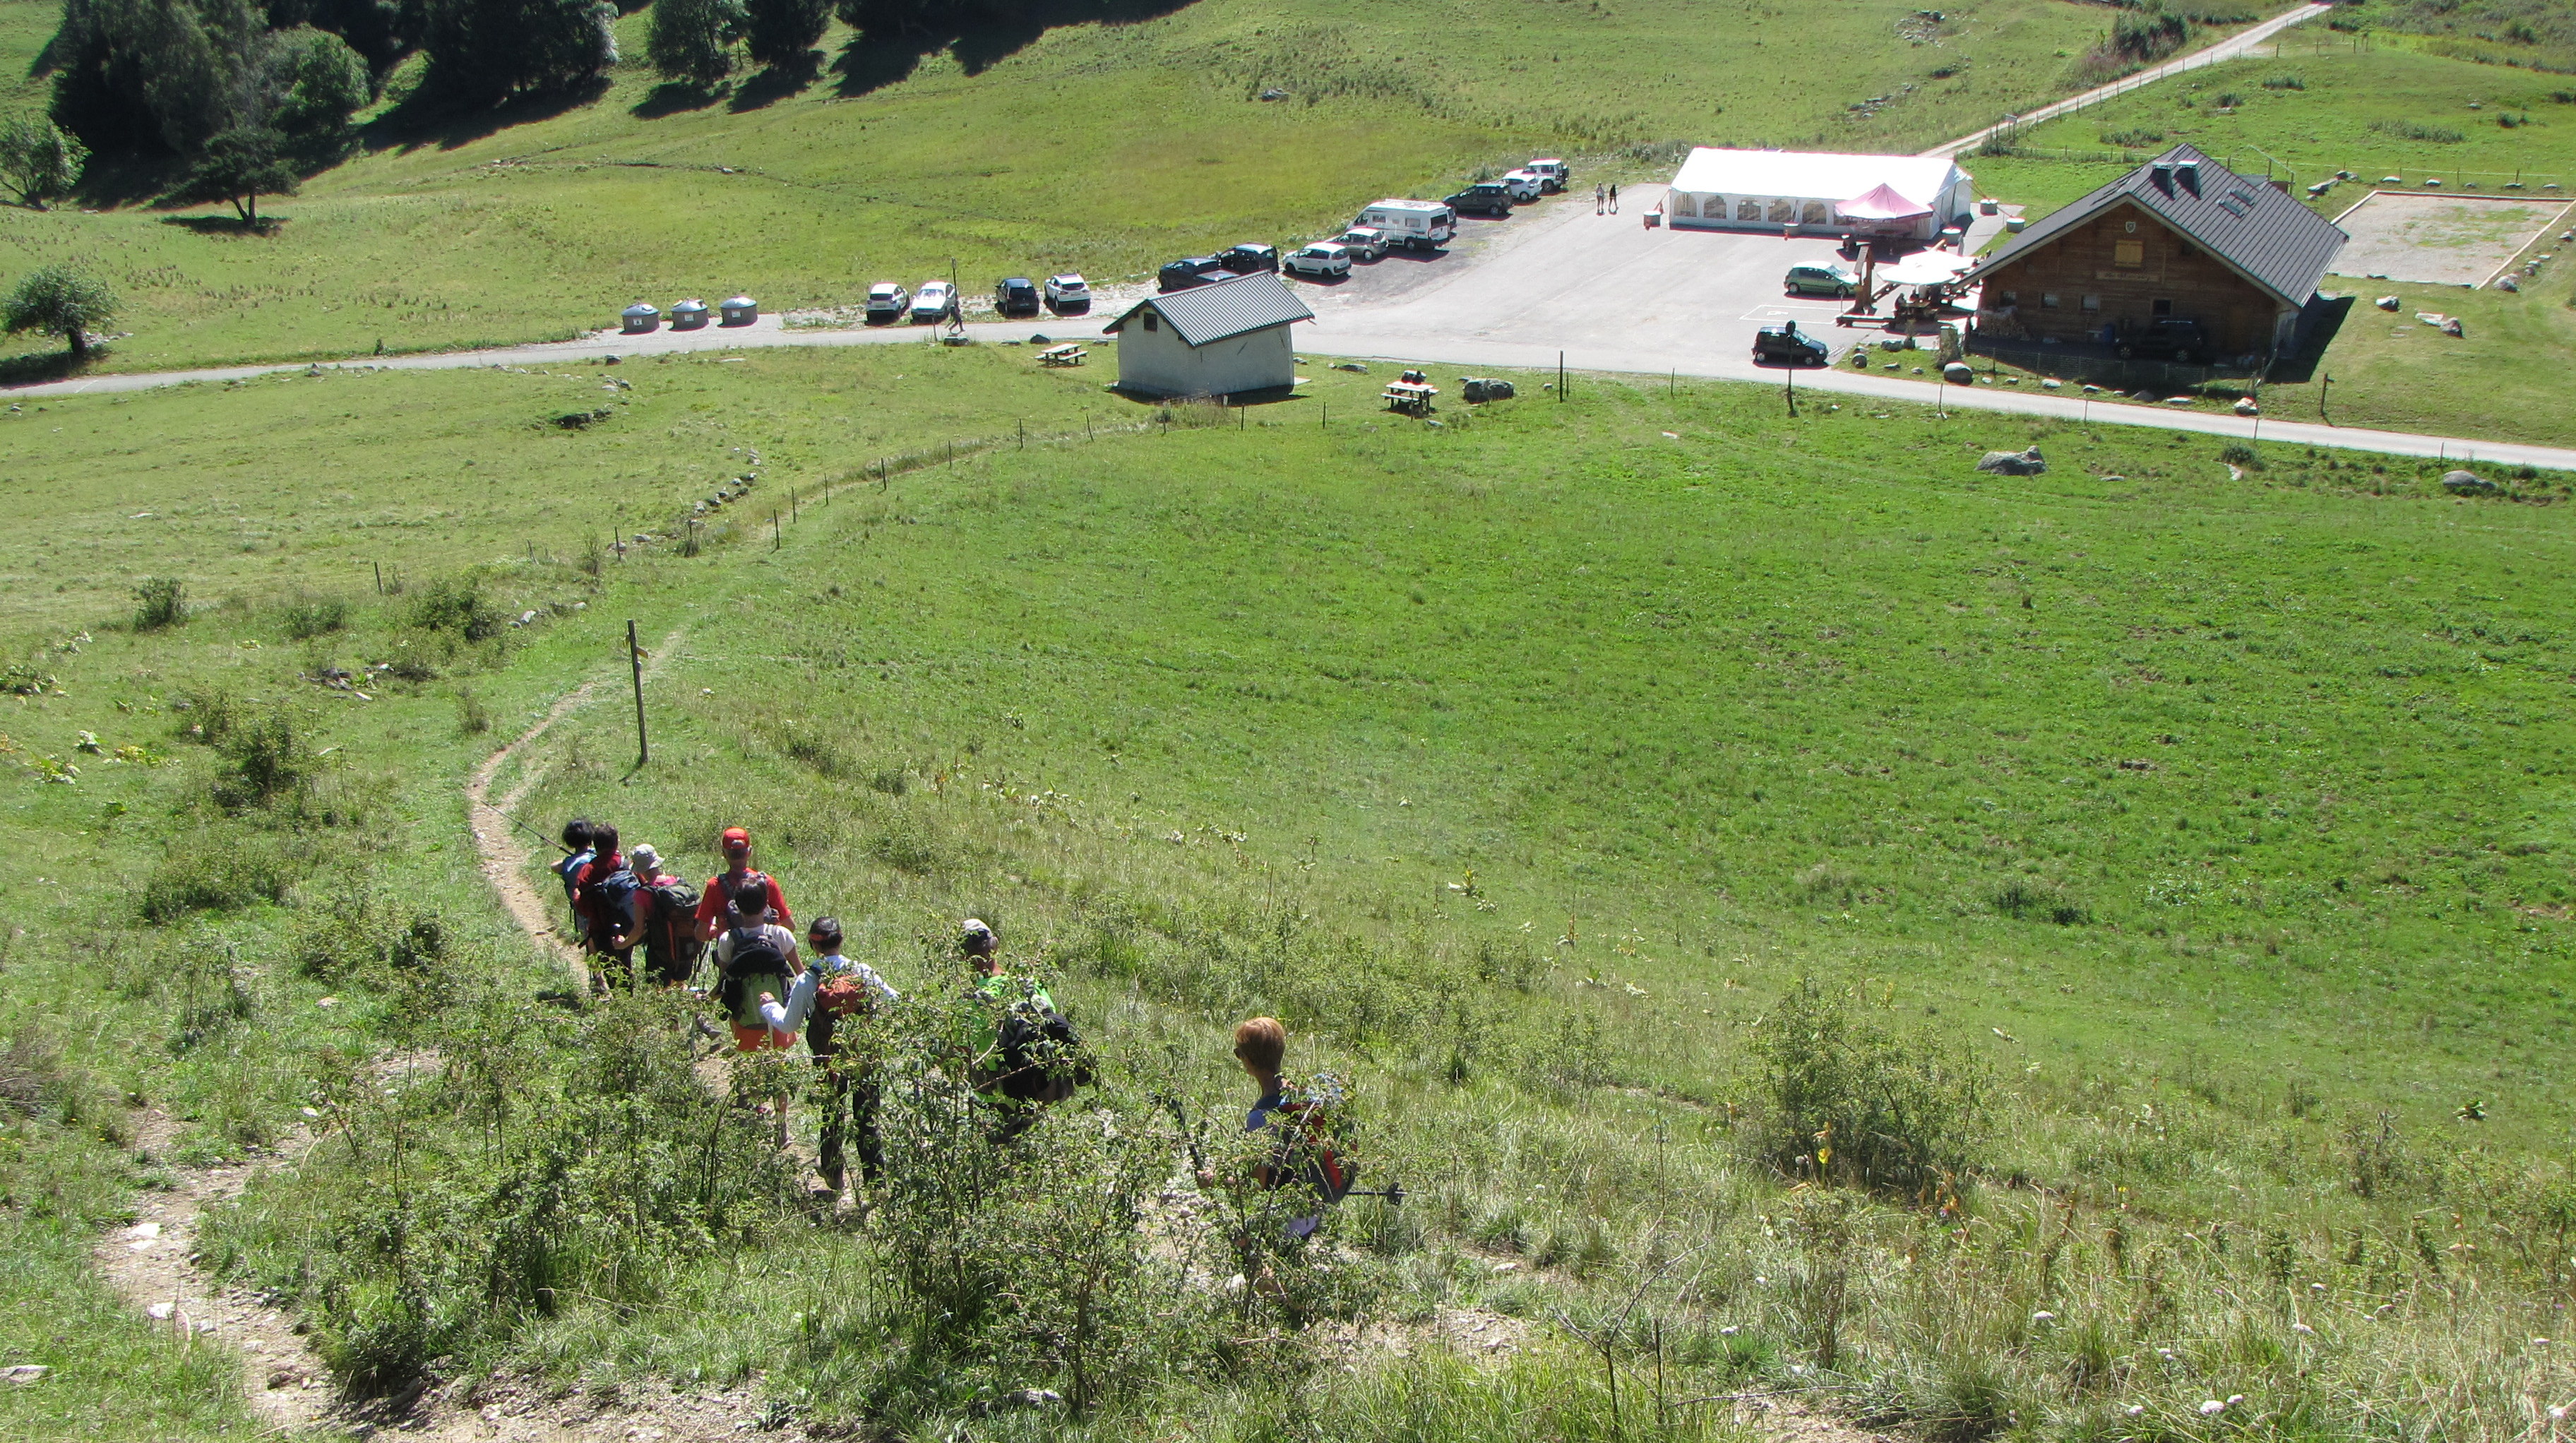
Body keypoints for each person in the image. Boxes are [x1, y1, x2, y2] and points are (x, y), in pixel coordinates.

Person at [758, 916, 898, 1192]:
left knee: (832, 1115)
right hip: (863, 1056)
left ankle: (834, 1175)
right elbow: (895, 1000)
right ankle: (876, 1186)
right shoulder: (862, 972)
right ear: (841, 940)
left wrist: (769, 1006)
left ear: (813, 945)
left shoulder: (807, 980)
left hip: (828, 1059)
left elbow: (788, 1024)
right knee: (867, 1121)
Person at [616, 843, 703, 988]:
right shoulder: (677, 882)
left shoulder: (643, 894)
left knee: (658, 990)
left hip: (660, 951)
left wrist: (622, 945)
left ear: (639, 870)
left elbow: (638, 930)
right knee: (679, 986)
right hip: (684, 947)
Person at [695, 826, 792, 942]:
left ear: (724, 853)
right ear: (749, 852)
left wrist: (716, 930)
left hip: (731, 951)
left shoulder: (715, 886)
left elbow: (701, 935)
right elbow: (790, 926)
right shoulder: (767, 882)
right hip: (766, 949)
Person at [574, 822, 640, 992]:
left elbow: (583, 908)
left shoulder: (587, 871)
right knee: (626, 962)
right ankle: (630, 997)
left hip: (600, 928)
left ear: (595, 845)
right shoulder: (627, 865)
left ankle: (621, 999)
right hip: (628, 924)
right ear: (616, 843)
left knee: (611, 970)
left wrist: (577, 898)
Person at [553, 819, 596, 947]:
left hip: (580, 909)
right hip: (599, 907)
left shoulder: (568, 864)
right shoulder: (594, 858)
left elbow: (554, 867)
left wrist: (573, 858)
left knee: (589, 943)